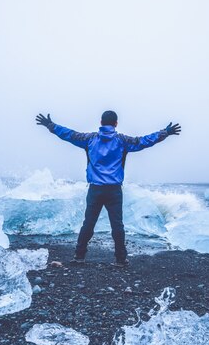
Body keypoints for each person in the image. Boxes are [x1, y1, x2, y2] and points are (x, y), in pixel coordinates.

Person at [36, 110, 181, 267]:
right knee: (117, 225)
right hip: (114, 190)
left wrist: (50, 126)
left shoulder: (89, 139)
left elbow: (69, 135)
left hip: (95, 189)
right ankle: (120, 259)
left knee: (88, 224)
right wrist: (165, 132)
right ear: (116, 123)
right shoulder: (122, 141)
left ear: (101, 122)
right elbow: (144, 141)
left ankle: (79, 256)